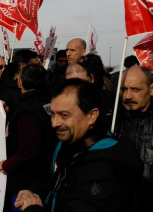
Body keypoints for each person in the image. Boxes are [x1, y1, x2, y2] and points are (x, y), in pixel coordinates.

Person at [14, 79, 143, 212]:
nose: (54, 123)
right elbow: (58, 187)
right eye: (53, 114)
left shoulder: (103, 168)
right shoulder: (72, 146)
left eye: (64, 115)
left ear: (92, 116)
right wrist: (35, 193)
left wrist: (32, 208)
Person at [0, 64, 56, 212]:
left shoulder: (27, 112)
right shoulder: (50, 104)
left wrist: (6, 165)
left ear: (19, 82)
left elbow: (28, 151)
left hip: (27, 188)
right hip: (45, 179)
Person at [115, 65, 153, 203]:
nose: (128, 96)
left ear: (151, 89)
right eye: (124, 89)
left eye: (136, 89)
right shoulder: (112, 121)